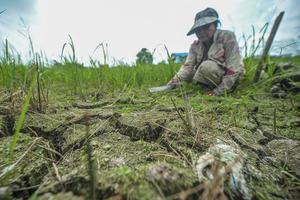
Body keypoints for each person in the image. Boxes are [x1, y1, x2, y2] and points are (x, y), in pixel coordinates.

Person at [168, 8, 245, 96]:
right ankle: (201, 87)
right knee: (189, 73)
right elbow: (187, 67)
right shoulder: (195, 46)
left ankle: (214, 89)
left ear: (215, 25)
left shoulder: (227, 37)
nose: (201, 32)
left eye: (206, 27)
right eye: (198, 29)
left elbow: (233, 70)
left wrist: (216, 92)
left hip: (229, 78)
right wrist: (173, 81)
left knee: (206, 66)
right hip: (209, 76)